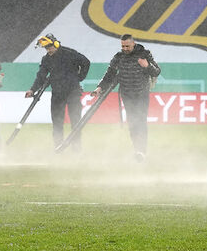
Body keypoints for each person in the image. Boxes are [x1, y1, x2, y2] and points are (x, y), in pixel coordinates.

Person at [92, 34, 160, 162]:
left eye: (127, 46)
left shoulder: (144, 54)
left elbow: (156, 71)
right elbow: (109, 75)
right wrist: (99, 88)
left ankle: (142, 151)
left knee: (141, 121)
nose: (125, 48)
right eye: (123, 46)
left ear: (133, 44)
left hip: (141, 94)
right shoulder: (118, 57)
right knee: (133, 123)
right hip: (126, 94)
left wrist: (146, 65)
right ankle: (137, 150)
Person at [26, 34, 90, 150]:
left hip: (73, 93)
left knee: (76, 123)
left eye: (50, 47)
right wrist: (32, 89)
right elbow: (41, 76)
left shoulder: (69, 53)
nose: (48, 50)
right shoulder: (46, 59)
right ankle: (58, 148)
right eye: (46, 48)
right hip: (57, 94)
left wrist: (79, 77)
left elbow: (86, 62)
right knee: (57, 124)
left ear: (56, 44)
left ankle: (76, 149)